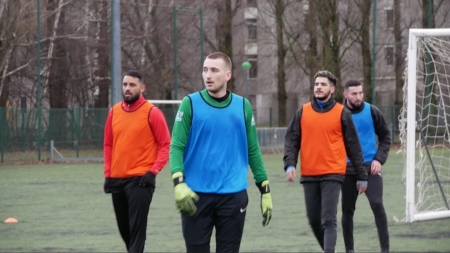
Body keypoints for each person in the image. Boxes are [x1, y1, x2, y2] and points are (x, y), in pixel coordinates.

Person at [169, 52, 273, 253]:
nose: (208, 75)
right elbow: (176, 146)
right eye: (205, 70)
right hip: (195, 196)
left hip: (233, 196)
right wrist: (178, 182)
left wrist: (265, 189)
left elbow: (252, 150)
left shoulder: (243, 106)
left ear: (228, 75)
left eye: (214, 70)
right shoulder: (189, 104)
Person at [283, 70, 368, 253]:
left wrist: (362, 176)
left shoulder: (342, 113)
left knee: (329, 219)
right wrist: (290, 164)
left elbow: (354, 146)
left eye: (323, 84)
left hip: (333, 173)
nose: (319, 87)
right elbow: (291, 140)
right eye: (316, 84)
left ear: (332, 89)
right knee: (314, 220)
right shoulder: (302, 112)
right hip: (309, 174)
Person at [103, 70, 171, 253]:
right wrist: (108, 175)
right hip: (117, 179)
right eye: (125, 84)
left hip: (141, 180)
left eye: (132, 85)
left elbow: (165, 145)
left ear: (142, 88)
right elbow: (108, 145)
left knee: (137, 231)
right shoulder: (114, 112)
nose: (127, 88)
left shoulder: (152, 112)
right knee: (126, 232)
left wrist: (153, 171)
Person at [341, 80, 391, 253]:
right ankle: (350, 250)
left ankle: (385, 250)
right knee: (347, 211)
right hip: (347, 169)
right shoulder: (338, 114)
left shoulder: (372, 111)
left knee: (377, 204)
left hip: (371, 167)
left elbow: (385, 137)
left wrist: (379, 159)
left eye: (360, 93)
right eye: (354, 93)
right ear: (345, 95)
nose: (358, 97)